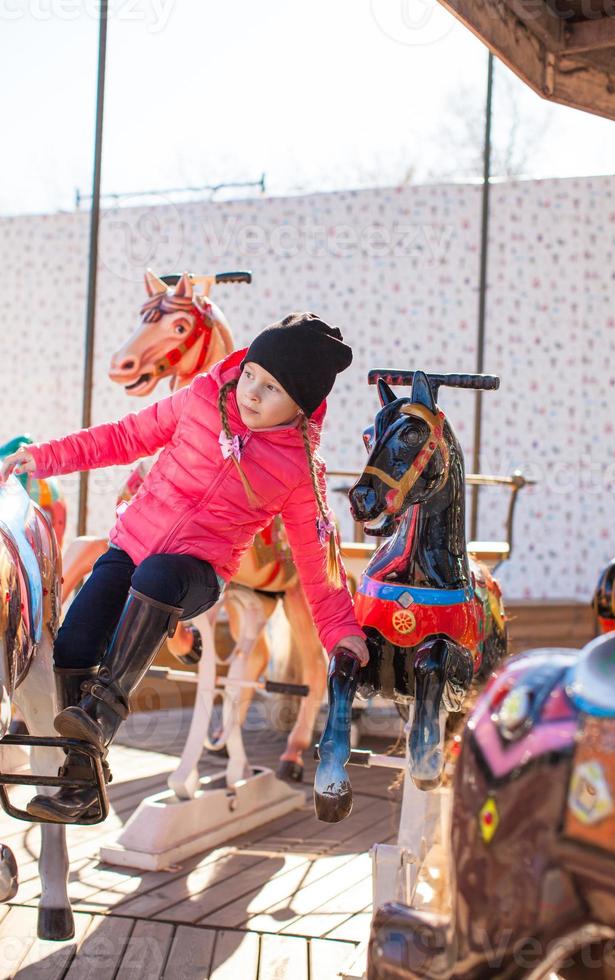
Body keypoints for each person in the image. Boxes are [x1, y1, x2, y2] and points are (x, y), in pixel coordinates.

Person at [1, 311, 369, 822]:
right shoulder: (202, 399)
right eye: (251, 376)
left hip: (195, 572)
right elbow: (125, 436)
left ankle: (103, 712)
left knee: (158, 577)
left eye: (273, 390)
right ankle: (81, 781)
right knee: (74, 645)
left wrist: (341, 631)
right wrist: (47, 457)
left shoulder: (299, 470)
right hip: (131, 545)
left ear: (301, 408)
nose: (253, 394)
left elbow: (316, 557)